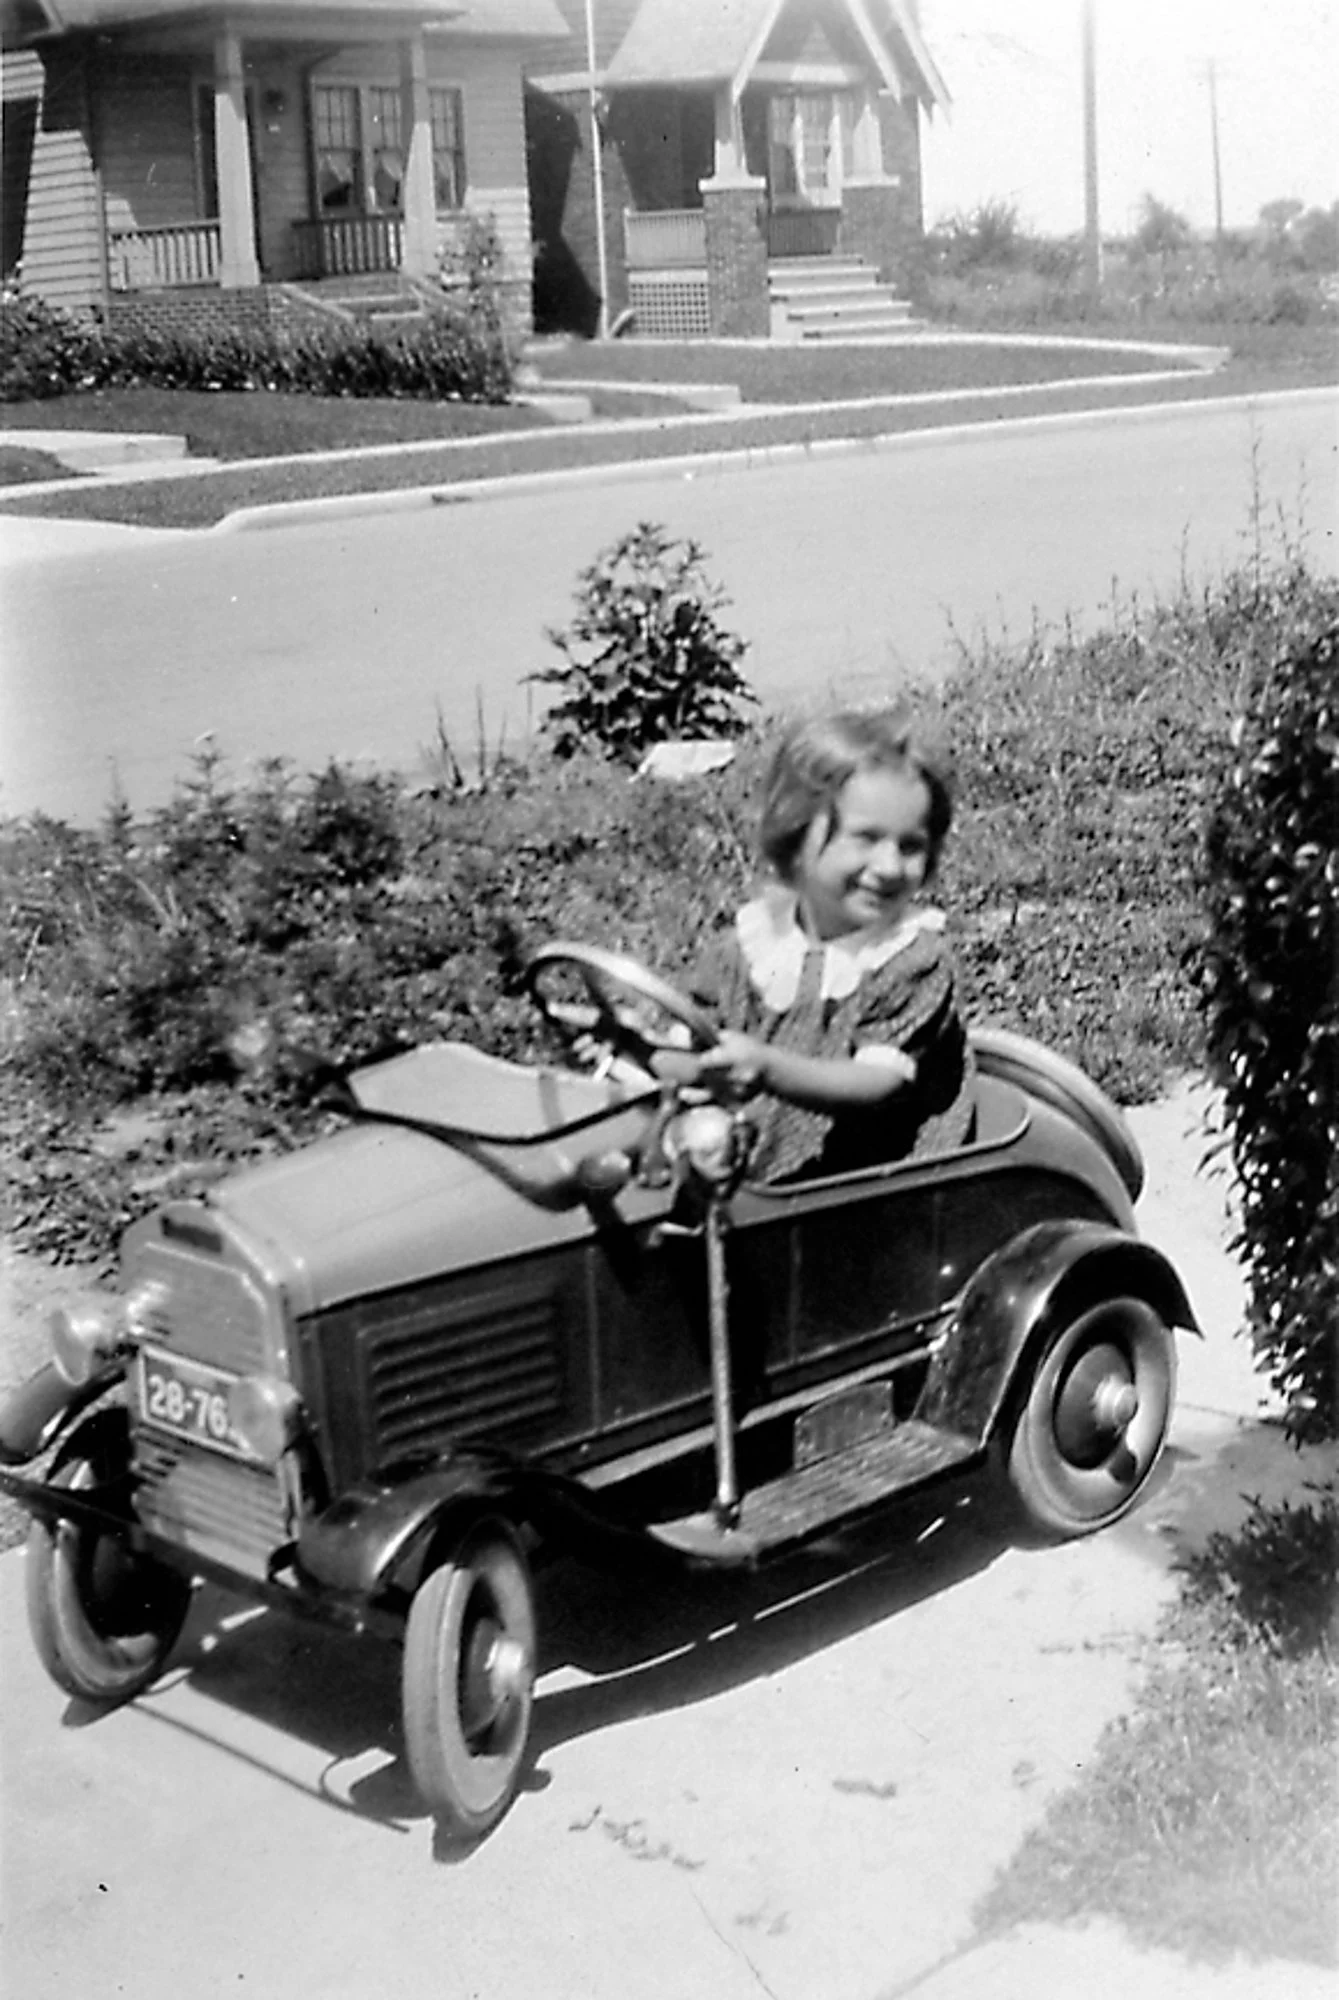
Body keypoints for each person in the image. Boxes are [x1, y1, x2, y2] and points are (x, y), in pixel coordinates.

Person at [665, 706, 975, 1182]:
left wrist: (768, 1068)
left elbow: (879, 1082)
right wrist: (632, 1046)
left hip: (875, 1187)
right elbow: (689, 1047)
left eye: (910, 846)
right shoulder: (747, 948)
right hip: (753, 1182)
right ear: (795, 835)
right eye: (865, 839)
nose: (890, 867)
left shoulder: (910, 960)